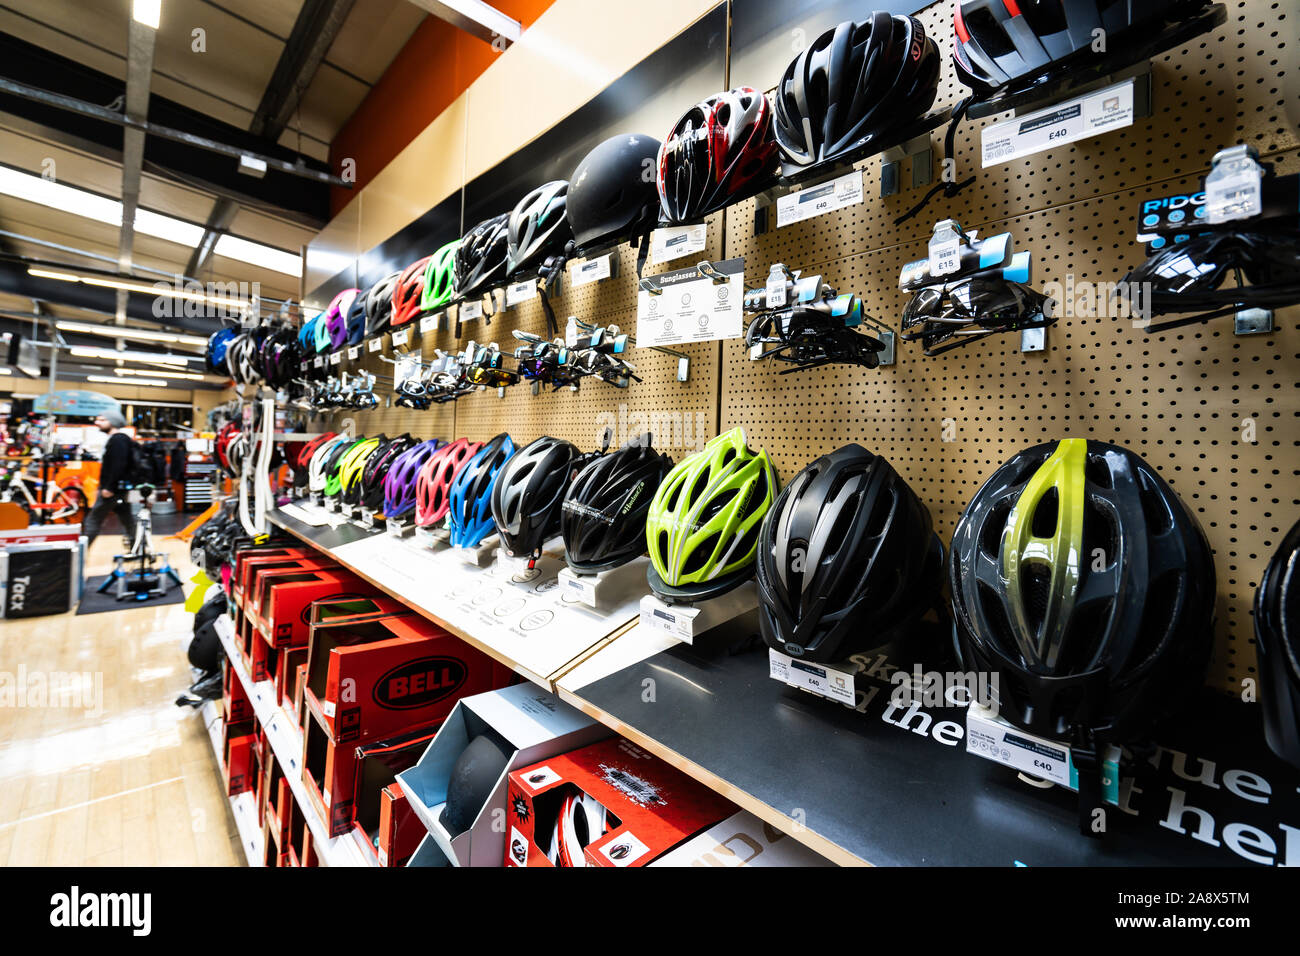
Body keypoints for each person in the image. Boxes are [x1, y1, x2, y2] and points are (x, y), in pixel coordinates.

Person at [84, 409, 135, 546]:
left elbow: (118, 465)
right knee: (127, 519)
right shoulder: (119, 439)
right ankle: (138, 547)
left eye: (102, 420)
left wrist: (109, 487)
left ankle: (79, 553)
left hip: (113, 489)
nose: (97, 423)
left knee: (93, 520)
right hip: (119, 488)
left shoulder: (118, 440)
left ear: (112, 422)